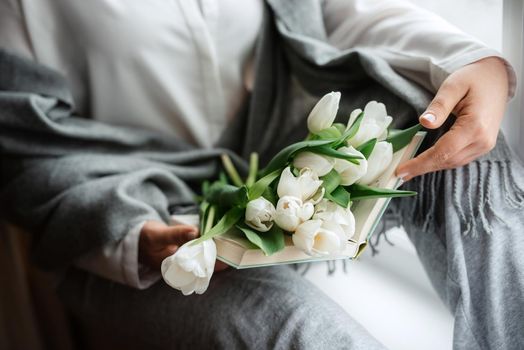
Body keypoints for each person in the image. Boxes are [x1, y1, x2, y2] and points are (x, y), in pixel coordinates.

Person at [0, 0, 522, 349]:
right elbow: (20, 143)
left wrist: (475, 60)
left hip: (272, 181)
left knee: (469, 158)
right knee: (303, 334)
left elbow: (332, 9)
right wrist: (134, 235)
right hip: (139, 231)